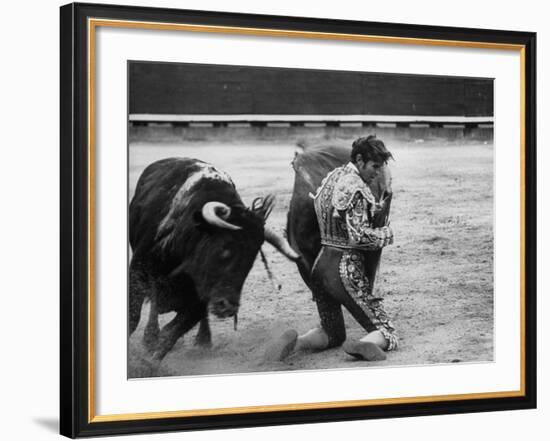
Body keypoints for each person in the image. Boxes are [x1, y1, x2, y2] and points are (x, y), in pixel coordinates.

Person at [266, 135, 397, 361]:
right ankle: (364, 343)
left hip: (319, 267)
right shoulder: (357, 188)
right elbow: (358, 238)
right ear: (359, 160)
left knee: (331, 331)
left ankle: (298, 343)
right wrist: (385, 234)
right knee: (387, 332)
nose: (376, 173)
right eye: (374, 166)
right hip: (344, 271)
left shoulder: (330, 179)